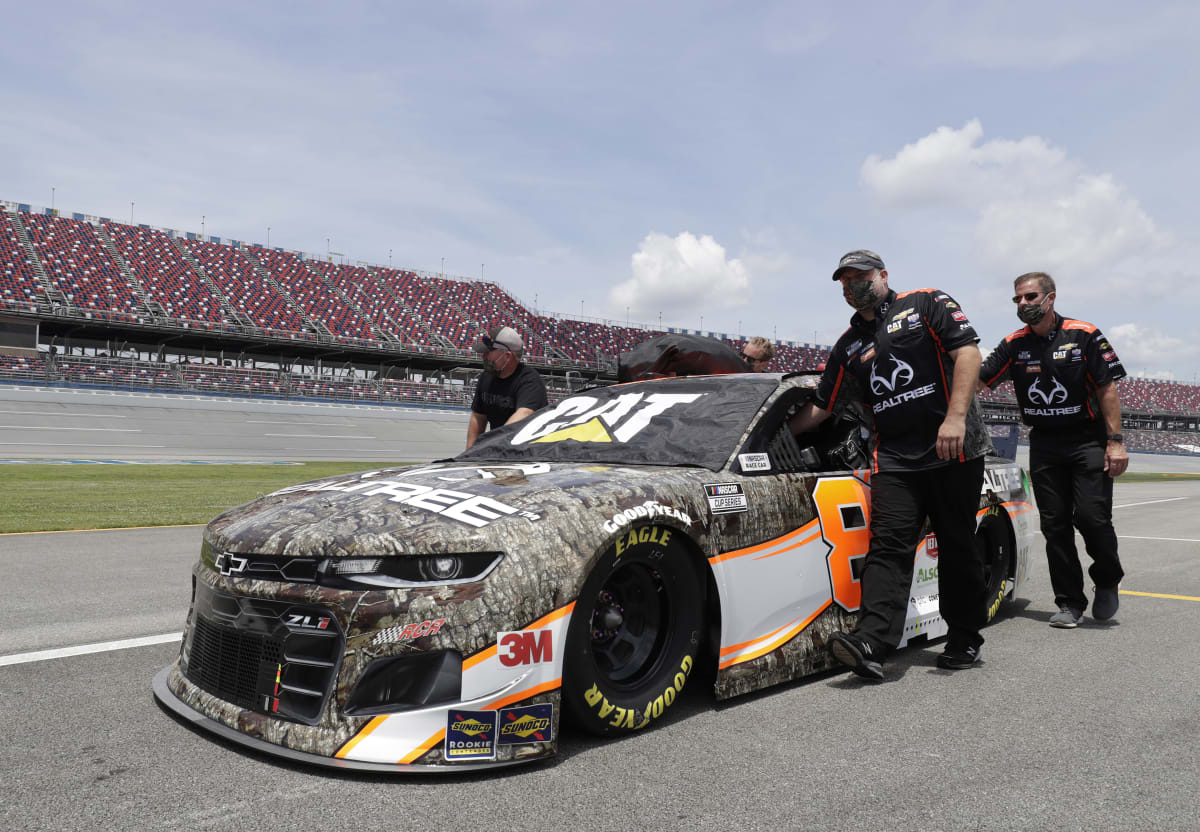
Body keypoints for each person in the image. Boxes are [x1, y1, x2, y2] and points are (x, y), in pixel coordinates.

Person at [789, 249, 993, 679]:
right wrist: (775, 432)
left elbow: (969, 355)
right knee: (888, 549)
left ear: (883, 274)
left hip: (953, 449)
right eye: (844, 281)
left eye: (859, 275)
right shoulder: (847, 346)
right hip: (896, 460)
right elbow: (824, 407)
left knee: (957, 545)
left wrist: (955, 418)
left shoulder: (925, 302)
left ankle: (964, 638)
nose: (852, 285)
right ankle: (871, 642)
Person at [978, 272, 1128, 628]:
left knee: (1092, 518)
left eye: (1030, 297)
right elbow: (979, 380)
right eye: (1018, 299)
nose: (1023, 304)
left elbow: (1107, 389)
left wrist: (1116, 441)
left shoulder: (1084, 334)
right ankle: (1070, 603)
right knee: (1055, 525)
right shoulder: (1014, 344)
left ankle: (1107, 579)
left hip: (1088, 440)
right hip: (1044, 442)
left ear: (1051, 298)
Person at [465, 326, 548, 449]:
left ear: (507, 356)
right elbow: (478, 417)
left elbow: (523, 414)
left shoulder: (530, 381)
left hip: (528, 452)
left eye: (488, 352)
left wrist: (492, 448)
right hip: (501, 449)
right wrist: (469, 454)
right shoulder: (486, 377)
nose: (484, 357)